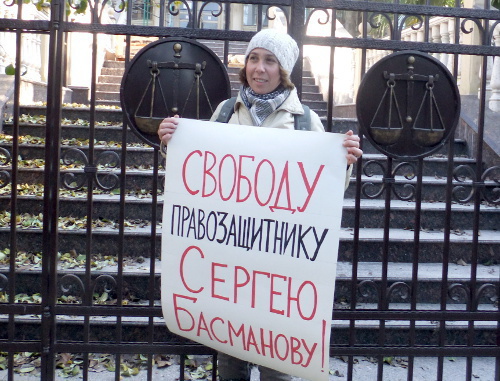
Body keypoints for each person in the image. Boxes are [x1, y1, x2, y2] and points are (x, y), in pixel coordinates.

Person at [158, 28, 362, 381]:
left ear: (283, 70)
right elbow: (201, 174)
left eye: (270, 61)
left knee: (277, 368)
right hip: (232, 265)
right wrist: (172, 144)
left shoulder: (304, 121)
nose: (259, 68)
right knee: (229, 361)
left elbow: (325, 190)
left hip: (278, 269)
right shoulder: (224, 112)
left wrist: (342, 162)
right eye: (254, 58)